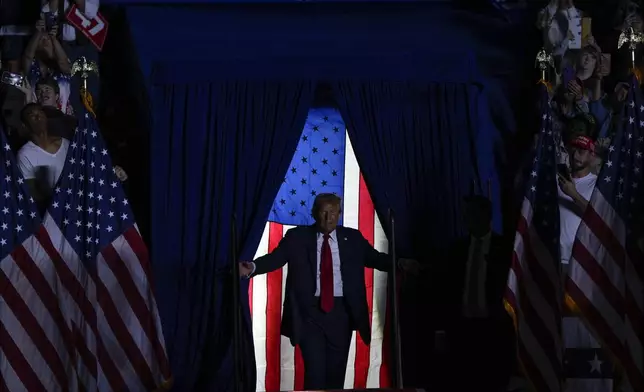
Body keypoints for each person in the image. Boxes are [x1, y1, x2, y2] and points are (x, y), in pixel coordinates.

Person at [239, 193, 418, 390]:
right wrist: (252, 267)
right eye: (324, 212)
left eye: (333, 212)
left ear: (339, 214)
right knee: (315, 373)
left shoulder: (353, 238)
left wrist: (400, 263)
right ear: (315, 213)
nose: (328, 217)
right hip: (309, 315)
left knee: (336, 375)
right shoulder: (296, 237)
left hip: (342, 314)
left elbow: (376, 258)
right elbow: (275, 259)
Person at [439, 194, 514, 391]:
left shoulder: (504, 248)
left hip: (494, 330)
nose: (467, 219)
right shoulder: (457, 249)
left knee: (492, 382)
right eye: (466, 215)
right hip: (462, 330)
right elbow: (447, 289)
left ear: (486, 216)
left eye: (471, 214)